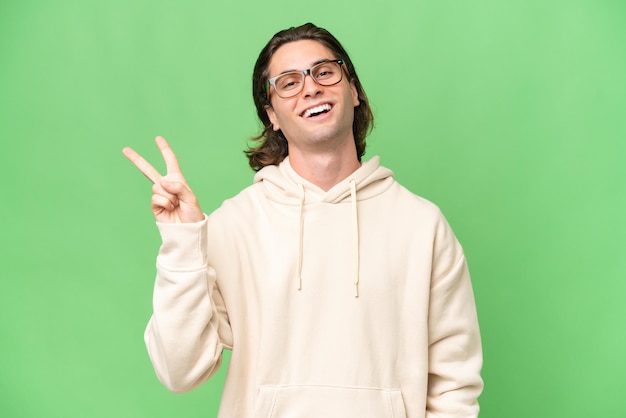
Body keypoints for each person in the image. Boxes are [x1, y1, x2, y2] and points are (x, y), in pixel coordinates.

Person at [123, 23, 483, 418]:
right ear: (271, 115)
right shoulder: (236, 224)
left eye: (324, 72)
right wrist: (182, 242)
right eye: (288, 83)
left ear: (354, 90)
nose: (310, 88)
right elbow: (179, 372)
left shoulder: (422, 226)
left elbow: (455, 383)